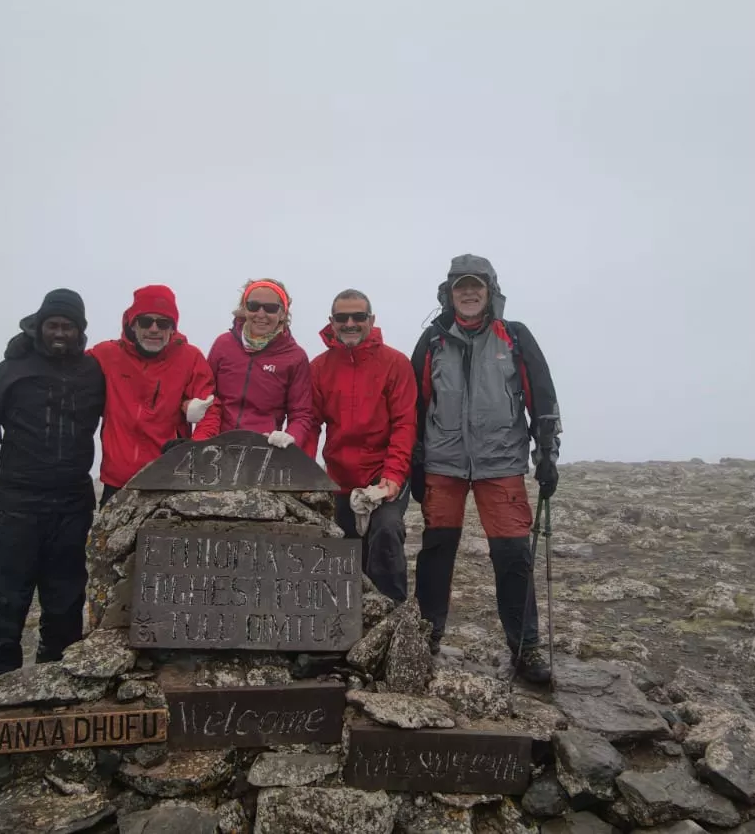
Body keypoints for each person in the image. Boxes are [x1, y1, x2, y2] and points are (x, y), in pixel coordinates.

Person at [409, 255, 561, 684]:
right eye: (461, 286)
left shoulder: (514, 337)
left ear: (491, 290)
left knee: (513, 555)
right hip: (443, 463)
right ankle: (426, 638)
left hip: (501, 463)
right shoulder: (433, 341)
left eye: (477, 286)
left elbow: (543, 397)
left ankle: (525, 646)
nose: (469, 293)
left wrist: (547, 453)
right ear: (449, 293)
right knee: (437, 553)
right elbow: (415, 404)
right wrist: (415, 461)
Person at [0, 289, 106, 691]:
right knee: (4, 594)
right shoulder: (11, 370)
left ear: (80, 331)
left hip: (72, 502)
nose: (59, 333)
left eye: (67, 327)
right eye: (52, 325)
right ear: (39, 327)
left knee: (66, 597)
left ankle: (59, 673)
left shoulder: (93, 373)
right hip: (17, 502)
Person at [307, 289, 417, 603]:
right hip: (340, 480)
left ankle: (391, 619)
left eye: (358, 317)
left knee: (385, 533)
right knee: (344, 550)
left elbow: (404, 424)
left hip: (384, 476)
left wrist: (392, 478)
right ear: (332, 322)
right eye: (342, 318)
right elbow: (311, 424)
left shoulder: (395, 364)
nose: (350, 323)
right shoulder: (319, 367)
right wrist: (304, 477)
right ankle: (343, 630)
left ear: (371, 319)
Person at [87, 284, 221, 507]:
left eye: (163, 323)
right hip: (117, 482)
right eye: (146, 321)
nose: (154, 329)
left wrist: (194, 448)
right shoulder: (107, 354)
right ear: (132, 323)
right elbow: (69, 366)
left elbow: (211, 409)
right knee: (111, 542)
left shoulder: (190, 358)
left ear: (173, 328)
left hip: (167, 479)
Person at [204, 278, 316, 452]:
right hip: (217, 445)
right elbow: (206, 395)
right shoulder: (223, 344)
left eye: (271, 308)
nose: (261, 314)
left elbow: (301, 414)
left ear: (283, 313)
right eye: (253, 306)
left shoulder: (295, 357)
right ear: (244, 309)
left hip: (264, 449)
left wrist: (292, 436)